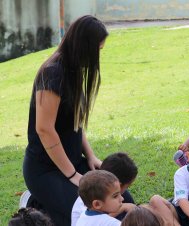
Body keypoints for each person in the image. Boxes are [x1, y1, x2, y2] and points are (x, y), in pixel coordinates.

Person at [22, 15, 109, 226]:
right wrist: (72, 175)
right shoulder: (53, 74)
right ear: (83, 46)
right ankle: (37, 202)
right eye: (96, 49)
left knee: (117, 201)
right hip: (46, 169)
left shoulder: (74, 70)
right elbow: (44, 129)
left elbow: (76, 121)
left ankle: (44, 205)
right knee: (82, 213)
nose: (98, 54)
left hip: (73, 160)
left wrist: (90, 156)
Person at [71, 152, 138, 226]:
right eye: (115, 195)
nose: (122, 198)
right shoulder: (111, 223)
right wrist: (123, 207)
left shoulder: (89, 197)